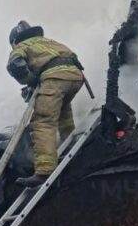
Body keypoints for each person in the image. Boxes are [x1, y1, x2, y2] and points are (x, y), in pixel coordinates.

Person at [6, 20, 85, 187]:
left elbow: (15, 65)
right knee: (63, 113)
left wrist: (31, 80)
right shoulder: (50, 42)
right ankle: (71, 146)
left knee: (43, 121)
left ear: (14, 41)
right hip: (76, 77)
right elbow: (74, 58)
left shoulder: (21, 47)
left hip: (54, 79)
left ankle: (44, 171)